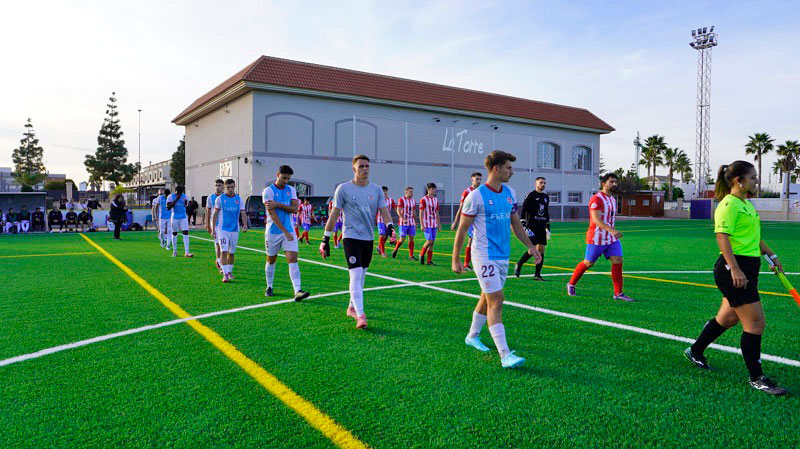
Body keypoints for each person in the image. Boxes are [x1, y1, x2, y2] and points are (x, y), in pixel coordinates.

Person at [685, 161, 788, 395]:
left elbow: (754, 237)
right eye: (752, 177)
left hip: (749, 266)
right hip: (734, 268)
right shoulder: (728, 205)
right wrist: (734, 269)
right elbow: (722, 237)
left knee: (727, 318)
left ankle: (695, 351)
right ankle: (757, 378)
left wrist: (772, 254)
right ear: (738, 180)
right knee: (755, 323)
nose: (756, 181)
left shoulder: (746, 205)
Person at [452, 150, 541, 369]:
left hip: (503, 255)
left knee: (487, 296)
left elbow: (516, 225)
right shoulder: (476, 196)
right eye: (508, 167)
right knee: (497, 299)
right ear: (496, 169)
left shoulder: (510, 192)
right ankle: (505, 354)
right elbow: (462, 229)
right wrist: (455, 258)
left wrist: (530, 247)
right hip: (483, 255)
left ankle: (472, 336)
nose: (512, 171)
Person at [319, 155, 394, 329]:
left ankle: (352, 306)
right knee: (356, 274)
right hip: (350, 237)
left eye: (367, 166)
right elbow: (334, 214)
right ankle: (361, 315)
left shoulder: (376, 190)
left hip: (368, 238)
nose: (365, 169)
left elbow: (384, 211)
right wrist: (326, 239)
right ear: (354, 168)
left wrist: (390, 228)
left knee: (362, 276)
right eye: (361, 166)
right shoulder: (343, 189)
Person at [565, 173, 634, 302]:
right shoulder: (596, 199)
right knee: (588, 263)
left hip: (611, 239)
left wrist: (611, 233)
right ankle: (571, 283)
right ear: (604, 183)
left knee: (618, 260)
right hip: (597, 238)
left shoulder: (613, 199)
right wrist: (611, 230)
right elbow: (596, 220)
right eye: (611, 181)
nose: (614, 184)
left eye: (615, 182)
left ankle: (618, 293)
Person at [262, 165, 308, 301]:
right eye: (284, 177)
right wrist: (284, 231)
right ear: (277, 175)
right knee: (271, 259)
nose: (286, 180)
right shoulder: (268, 191)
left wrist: (278, 204)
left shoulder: (291, 190)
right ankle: (269, 286)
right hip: (273, 232)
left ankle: (297, 290)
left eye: (288, 178)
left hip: (289, 230)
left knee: (292, 259)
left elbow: (294, 209)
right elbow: (272, 214)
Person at [211, 179, 248, 282]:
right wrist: (213, 229)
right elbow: (215, 215)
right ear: (225, 187)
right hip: (223, 230)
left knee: (231, 253)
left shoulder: (239, 199)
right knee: (224, 251)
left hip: (235, 229)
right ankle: (225, 274)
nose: (230, 189)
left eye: (232, 187)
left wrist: (245, 224)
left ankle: (229, 271)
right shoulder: (220, 199)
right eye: (228, 187)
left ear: (235, 186)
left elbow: (243, 213)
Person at [515, 177, 551, 281]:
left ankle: (537, 275)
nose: (543, 184)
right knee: (533, 250)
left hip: (541, 226)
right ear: (536, 184)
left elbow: (546, 212)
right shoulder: (531, 195)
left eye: (544, 183)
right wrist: (522, 221)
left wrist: (548, 227)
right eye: (541, 183)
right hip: (532, 226)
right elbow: (524, 208)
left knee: (541, 250)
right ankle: (519, 264)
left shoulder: (545, 197)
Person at [451, 172, 483, 270]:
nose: (479, 181)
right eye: (477, 179)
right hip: (470, 221)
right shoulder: (467, 192)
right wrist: (455, 222)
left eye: (480, 179)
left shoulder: (481, 191)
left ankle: (473, 263)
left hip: (479, 221)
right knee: (471, 241)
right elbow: (461, 207)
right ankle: (466, 263)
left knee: (478, 241)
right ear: (472, 179)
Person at [418, 182, 441, 265]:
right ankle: (421, 254)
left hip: (433, 223)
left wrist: (439, 223)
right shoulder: (423, 199)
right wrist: (421, 224)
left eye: (435, 189)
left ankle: (429, 261)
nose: (434, 190)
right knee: (429, 241)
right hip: (426, 223)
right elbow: (421, 212)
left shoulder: (435, 199)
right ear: (428, 190)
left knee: (432, 242)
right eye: (432, 189)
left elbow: (437, 211)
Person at [167, 185, 193, 257]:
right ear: (175, 191)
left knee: (186, 232)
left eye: (181, 193)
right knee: (174, 233)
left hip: (183, 217)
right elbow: (168, 208)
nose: (180, 194)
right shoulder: (170, 197)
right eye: (178, 192)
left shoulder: (185, 196)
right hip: (175, 217)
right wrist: (176, 199)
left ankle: (187, 252)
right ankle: (175, 251)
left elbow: (188, 206)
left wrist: (186, 204)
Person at [392, 186, 417, 260]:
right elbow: (398, 210)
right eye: (410, 192)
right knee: (402, 239)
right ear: (406, 192)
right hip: (403, 223)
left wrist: (415, 221)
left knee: (411, 238)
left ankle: (411, 256)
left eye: (412, 192)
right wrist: (403, 218)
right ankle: (395, 249)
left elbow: (414, 211)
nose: (411, 193)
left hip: (411, 222)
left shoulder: (413, 200)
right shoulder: (401, 200)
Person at [205, 180, 225, 271]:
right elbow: (208, 211)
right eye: (216, 185)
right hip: (215, 225)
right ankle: (220, 264)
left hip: (225, 224)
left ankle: (219, 260)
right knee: (218, 244)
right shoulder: (210, 197)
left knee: (225, 246)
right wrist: (207, 224)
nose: (217, 187)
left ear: (223, 186)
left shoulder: (226, 197)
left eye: (219, 185)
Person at [376, 186, 397, 257]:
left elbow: (395, 208)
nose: (384, 193)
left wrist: (400, 216)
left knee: (386, 236)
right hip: (380, 220)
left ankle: (379, 247)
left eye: (386, 191)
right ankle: (382, 252)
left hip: (388, 221)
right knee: (382, 235)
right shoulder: (378, 200)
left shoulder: (391, 200)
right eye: (383, 191)